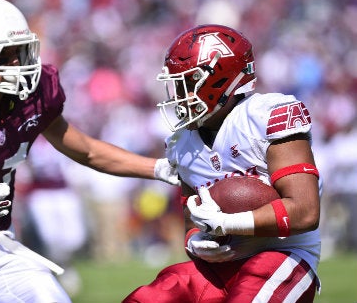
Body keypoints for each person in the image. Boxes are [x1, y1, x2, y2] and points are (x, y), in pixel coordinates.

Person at [0, 0, 178, 303]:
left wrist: (157, 168)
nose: (17, 63)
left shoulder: (34, 96)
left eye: (20, 51)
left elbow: (87, 151)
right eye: (4, 54)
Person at [123, 24, 322, 302]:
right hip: (219, 267)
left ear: (221, 79)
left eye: (190, 81)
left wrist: (228, 223)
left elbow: (305, 212)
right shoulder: (182, 142)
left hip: (282, 256)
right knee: (148, 297)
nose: (180, 94)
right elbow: (192, 220)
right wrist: (195, 240)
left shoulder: (268, 114)